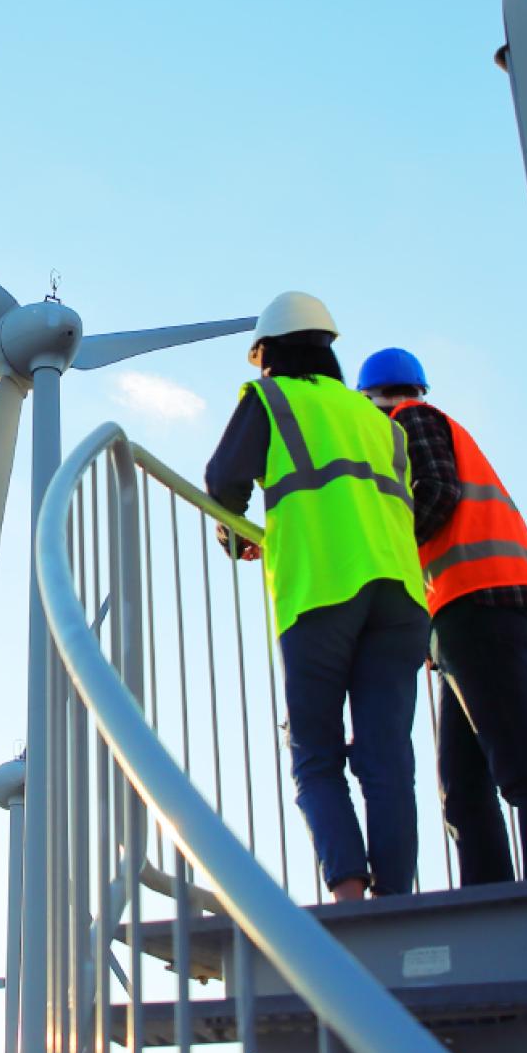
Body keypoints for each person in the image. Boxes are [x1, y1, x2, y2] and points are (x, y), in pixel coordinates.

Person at [204, 295, 430, 901]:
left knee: (316, 754)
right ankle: (396, 898)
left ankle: (350, 892)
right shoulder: (379, 422)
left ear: (269, 352)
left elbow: (223, 480)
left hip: (321, 591)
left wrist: (234, 536)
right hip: (402, 596)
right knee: (388, 758)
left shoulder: (271, 398)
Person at [358, 347, 527, 885]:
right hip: (476, 612)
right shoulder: (429, 422)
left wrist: (382, 558)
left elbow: (435, 494)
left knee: (522, 768)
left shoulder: (409, 421)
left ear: (371, 399)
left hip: (477, 605)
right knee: (462, 784)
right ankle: (491, 897)